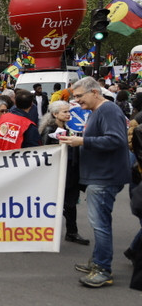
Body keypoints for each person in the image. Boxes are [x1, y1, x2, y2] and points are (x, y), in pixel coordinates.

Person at [60, 77, 131, 288]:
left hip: (104, 177)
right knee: (99, 223)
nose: (77, 101)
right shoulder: (98, 112)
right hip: (100, 175)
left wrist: (81, 141)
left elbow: (116, 140)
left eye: (79, 96)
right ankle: (98, 262)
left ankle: (102, 268)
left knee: (100, 225)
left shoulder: (107, 111)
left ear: (95, 92)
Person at [39, 101, 89, 246]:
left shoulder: (67, 128)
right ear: (55, 114)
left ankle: (71, 232)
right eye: (64, 112)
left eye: (68, 111)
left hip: (70, 172)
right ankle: (41, 233)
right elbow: (45, 152)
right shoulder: (50, 130)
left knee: (71, 203)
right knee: (54, 204)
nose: (68, 114)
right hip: (58, 172)